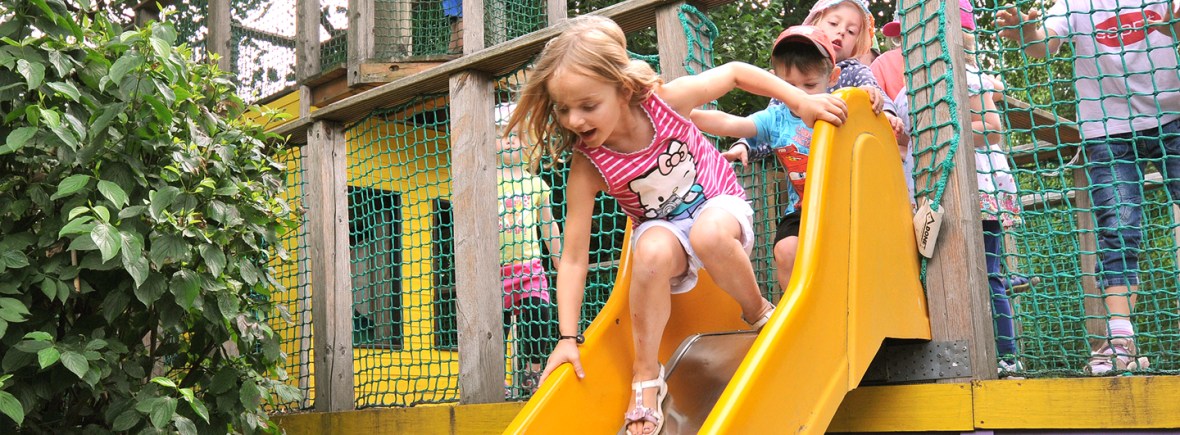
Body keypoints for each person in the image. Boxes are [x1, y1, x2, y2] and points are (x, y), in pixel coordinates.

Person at [505, 15, 847, 435]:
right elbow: (573, 258)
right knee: (648, 254)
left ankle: (758, 312)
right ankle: (646, 375)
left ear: (623, 90)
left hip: (718, 203)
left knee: (708, 234)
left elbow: (734, 73)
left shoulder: (663, 103)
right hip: (663, 229)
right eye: (564, 109)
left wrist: (800, 102)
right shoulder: (588, 164)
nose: (574, 120)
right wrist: (566, 338)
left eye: (588, 106)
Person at [997, 0, 1180, 374]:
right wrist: (1026, 32)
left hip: (1173, 114)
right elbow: (1043, 44)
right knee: (1119, 226)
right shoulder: (1077, 4)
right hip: (1108, 128)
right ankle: (1120, 340)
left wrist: (1173, 27)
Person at [689, 25, 840, 296]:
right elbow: (729, 122)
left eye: (809, 85)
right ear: (774, 82)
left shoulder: (837, 106)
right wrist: (686, 114)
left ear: (832, 78)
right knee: (785, 250)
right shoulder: (775, 118)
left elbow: (866, 122)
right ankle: (798, 308)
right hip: (803, 209)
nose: (800, 94)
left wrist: (873, 97)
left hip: (845, 205)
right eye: (790, 86)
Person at [959, 5, 1024, 373]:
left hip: (981, 184)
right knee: (969, 271)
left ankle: (1007, 357)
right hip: (953, 189)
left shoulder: (968, 75)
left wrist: (949, 129)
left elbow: (993, 129)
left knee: (987, 273)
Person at [495, 102, 562, 396]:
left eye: (516, 135)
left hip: (529, 268)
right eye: (502, 135)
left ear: (528, 143)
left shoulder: (536, 184)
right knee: (495, 329)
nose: (510, 141)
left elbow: (549, 225)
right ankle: (497, 379)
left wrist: (560, 260)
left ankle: (533, 373)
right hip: (495, 272)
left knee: (539, 316)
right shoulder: (485, 179)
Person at [803, 0, 909, 159]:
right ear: (813, 26)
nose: (841, 32)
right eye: (833, 23)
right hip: (802, 156)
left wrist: (886, 114)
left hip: (843, 159)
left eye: (851, 31)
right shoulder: (798, 66)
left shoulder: (853, 70)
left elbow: (876, 91)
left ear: (856, 44)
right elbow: (775, 110)